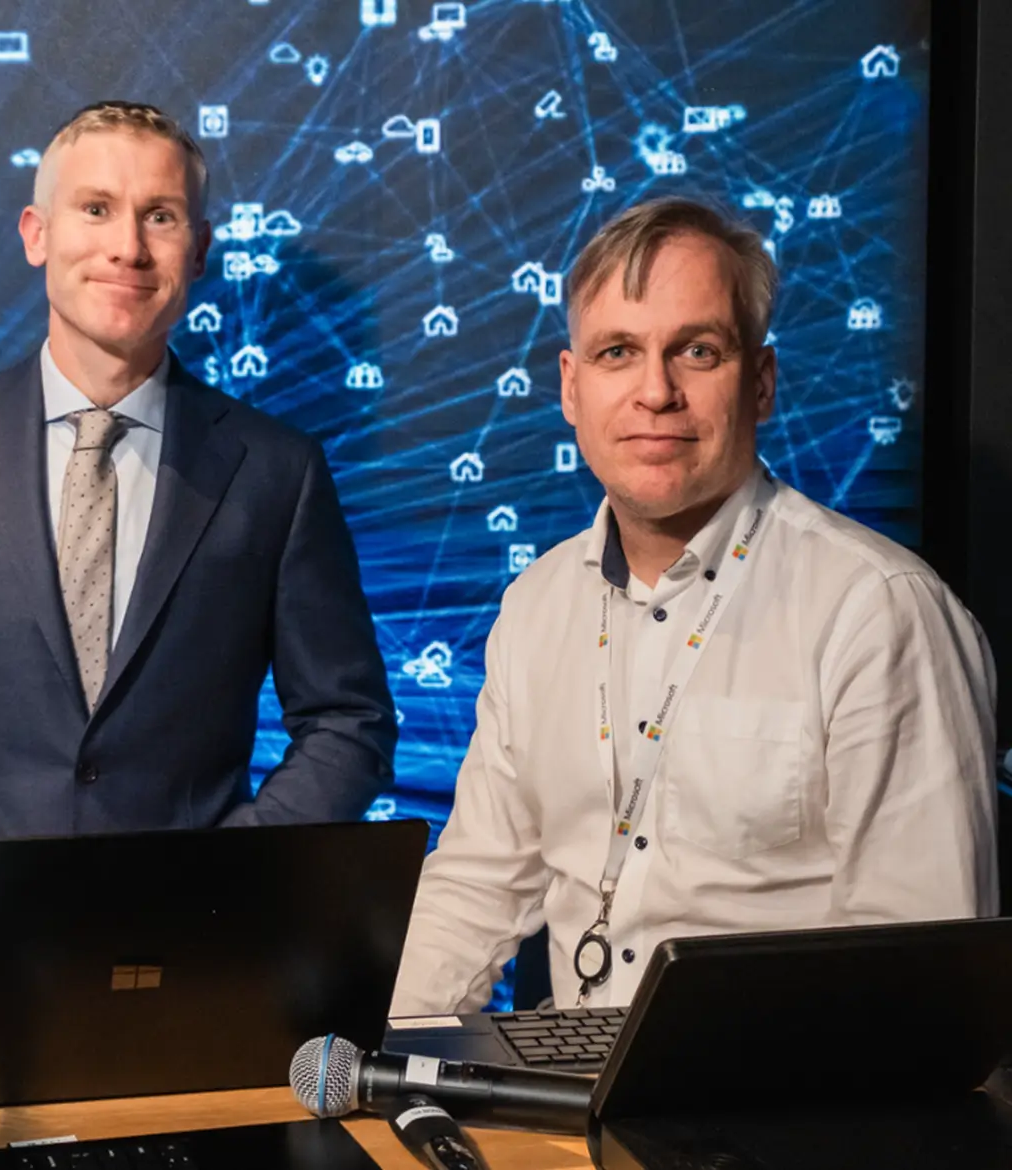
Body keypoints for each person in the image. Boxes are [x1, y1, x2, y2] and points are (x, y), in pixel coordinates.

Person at [392, 197, 997, 1014]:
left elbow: (922, 971)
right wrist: (389, 1065)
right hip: (572, 1109)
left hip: (780, 1121)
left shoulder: (877, 611)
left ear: (760, 381)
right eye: (617, 352)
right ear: (571, 388)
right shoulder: (534, 608)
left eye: (697, 351)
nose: (655, 392)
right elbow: (473, 887)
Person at [0, 101, 395, 842]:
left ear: (200, 249)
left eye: (161, 217)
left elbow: (349, 718)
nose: (128, 247)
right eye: (96, 209)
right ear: (36, 234)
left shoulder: (278, 471)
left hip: (199, 938)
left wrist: (235, 877)